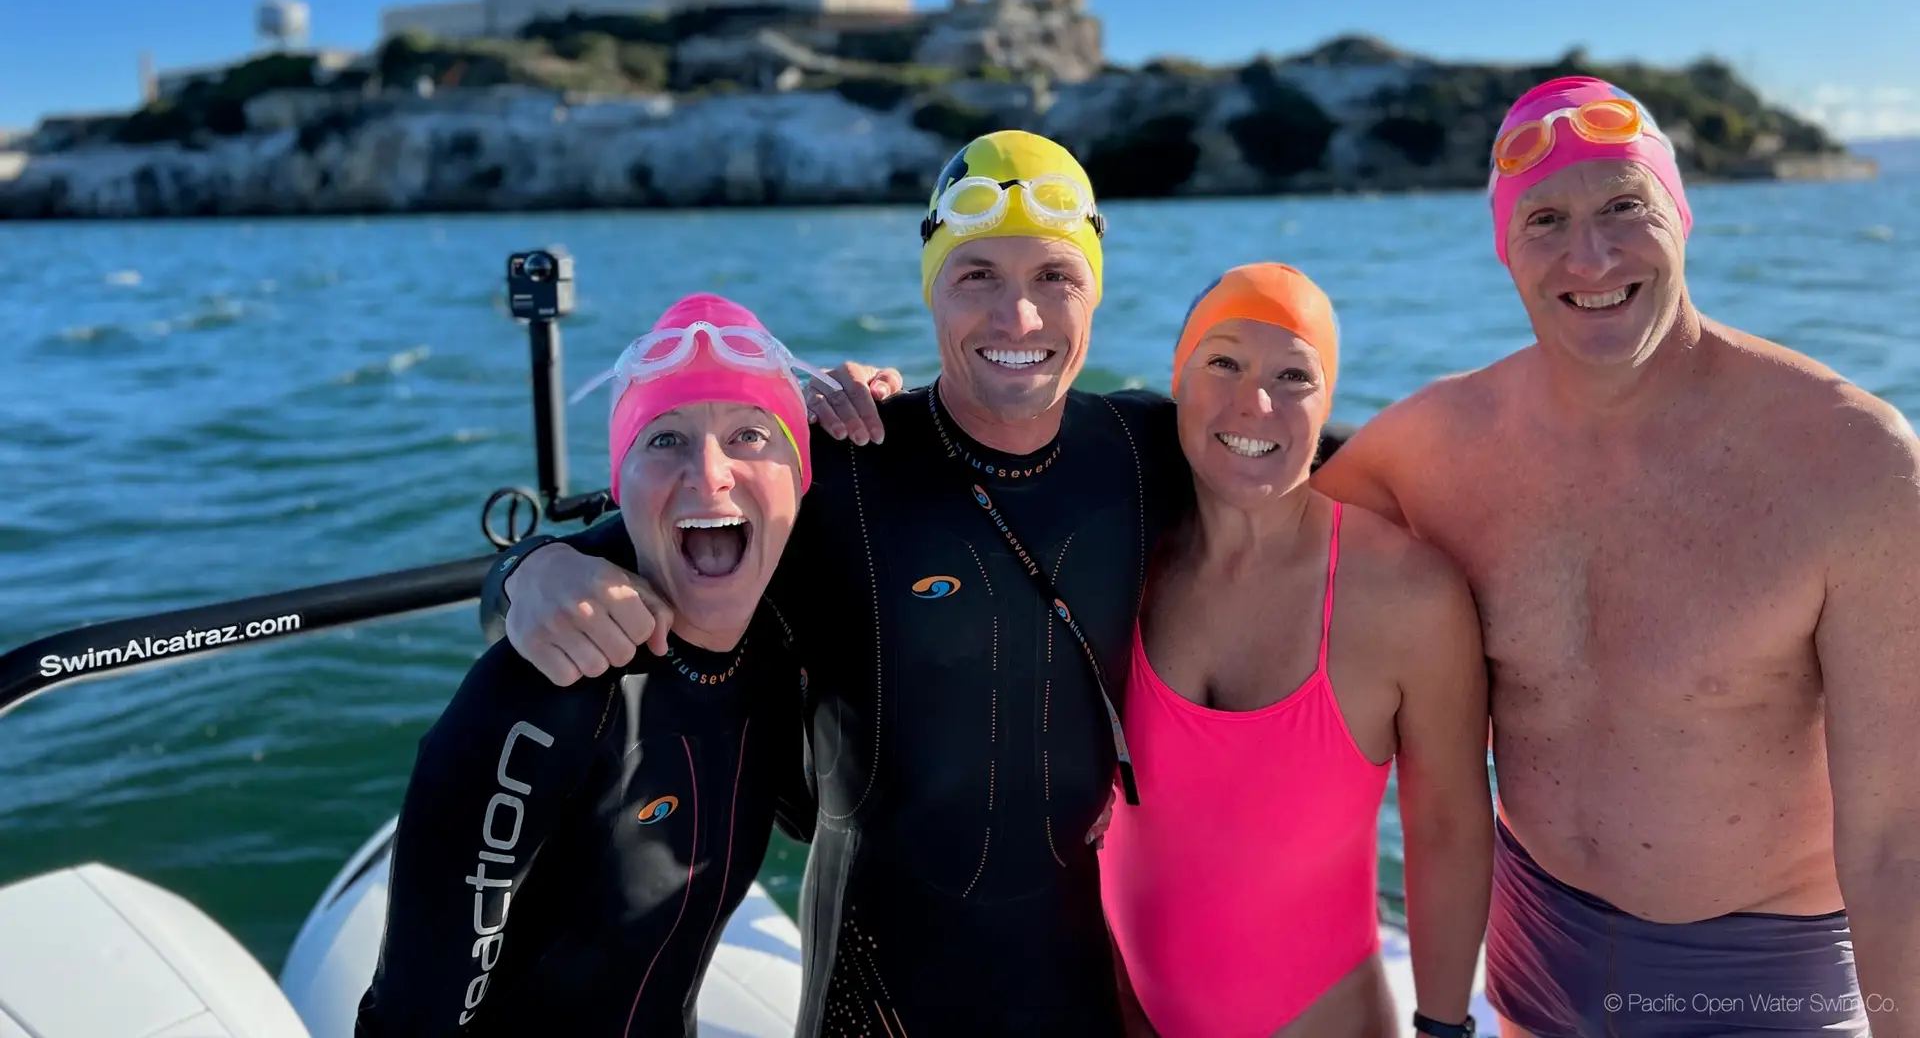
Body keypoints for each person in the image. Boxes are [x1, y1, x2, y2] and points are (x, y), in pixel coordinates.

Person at [482, 132, 1190, 1037]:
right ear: (931, 286)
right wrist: (531, 571)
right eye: (975, 274)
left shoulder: (1147, 452)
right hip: (875, 986)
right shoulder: (847, 465)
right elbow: (568, 567)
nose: (1018, 318)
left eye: (1054, 276)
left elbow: (1337, 467)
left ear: (1094, 287)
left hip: (1083, 980)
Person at [1310, 77, 1920, 1036]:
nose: (1588, 256)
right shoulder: (1435, 447)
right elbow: (1262, 549)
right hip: (1530, 939)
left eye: (1624, 208)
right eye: (1545, 219)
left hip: (1764, 974)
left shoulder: (1852, 462)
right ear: (1506, 252)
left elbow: (1896, 844)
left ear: (1681, 215)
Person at [356, 294, 816, 1038]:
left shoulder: (778, 646)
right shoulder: (544, 697)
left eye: (749, 435)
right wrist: (526, 569)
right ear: (620, 488)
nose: (710, 474)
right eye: (664, 440)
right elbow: (411, 1021)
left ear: (800, 482)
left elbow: (814, 811)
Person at [1100, 263, 1492, 1038]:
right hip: (1122, 1011)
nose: (1256, 403)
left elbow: (1448, 825)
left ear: (1327, 402)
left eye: (1293, 376)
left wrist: (1444, 1028)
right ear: (1177, 378)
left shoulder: (1404, 593)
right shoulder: (1123, 554)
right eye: (1224, 363)